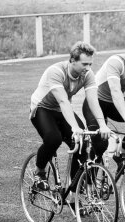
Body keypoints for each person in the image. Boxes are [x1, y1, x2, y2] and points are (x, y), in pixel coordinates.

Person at [30, 41, 111, 191]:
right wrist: (74, 126)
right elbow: (62, 101)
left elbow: (93, 101)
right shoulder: (56, 71)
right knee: (54, 139)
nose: (88, 68)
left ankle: (74, 190)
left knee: (82, 144)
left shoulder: (87, 74)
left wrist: (102, 124)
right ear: (72, 60)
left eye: (90, 64)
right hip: (42, 108)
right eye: (84, 64)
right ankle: (39, 172)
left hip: (61, 110)